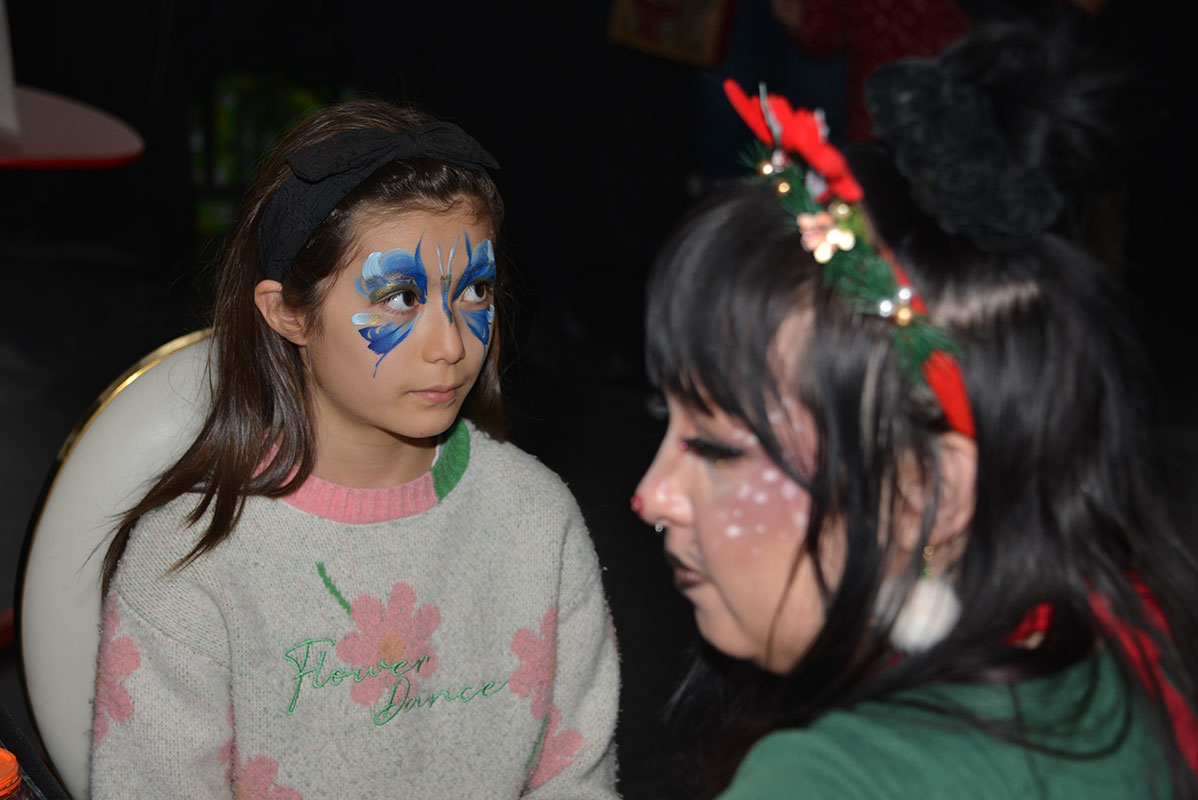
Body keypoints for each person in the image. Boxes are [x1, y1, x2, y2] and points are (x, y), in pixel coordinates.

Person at [632, 14, 1198, 799]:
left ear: (932, 488)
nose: (650, 495)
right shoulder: (1117, 652)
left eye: (721, 446)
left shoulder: (825, 783)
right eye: (672, 423)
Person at [90, 99, 619, 799]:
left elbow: (575, 783)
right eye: (400, 297)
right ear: (288, 312)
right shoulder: (188, 565)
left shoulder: (538, 522)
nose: (451, 344)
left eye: (475, 290)